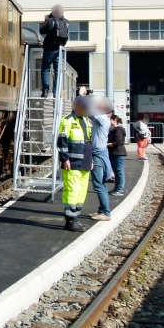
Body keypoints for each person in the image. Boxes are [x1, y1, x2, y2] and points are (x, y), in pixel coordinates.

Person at [58, 96, 93, 232]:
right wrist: (65, 159)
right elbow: (62, 142)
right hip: (72, 162)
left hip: (85, 162)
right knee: (72, 190)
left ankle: (75, 218)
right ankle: (71, 220)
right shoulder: (67, 121)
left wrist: (91, 160)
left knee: (81, 190)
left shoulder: (86, 121)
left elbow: (89, 142)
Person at [89, 96, 114, 222]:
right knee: (101, 184)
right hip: (99, 152)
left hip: (98, 154)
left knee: (98, 184)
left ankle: (105, 212)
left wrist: (83, 96)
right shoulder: (103, 119)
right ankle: (102, 210)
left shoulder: (103, 118)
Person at [38, 5, 70, 98]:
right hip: (59, 50)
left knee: (46, 69)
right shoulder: (67, 22)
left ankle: (45, 90)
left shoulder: (50, 21)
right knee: (57, 71)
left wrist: (46, 20)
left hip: (49, 49)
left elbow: (42, 31)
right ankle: (56, 92)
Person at [108, 115, 127, 196]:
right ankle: (117, 188)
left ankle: (120, 189)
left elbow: (118, 142)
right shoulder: (115, 129)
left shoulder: (118, 130)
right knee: (117, 172)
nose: (109, 122)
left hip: (118, 153)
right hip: (115, 153)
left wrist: (107, 144)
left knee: (119, 172)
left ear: (114, 120)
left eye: (110, 120)